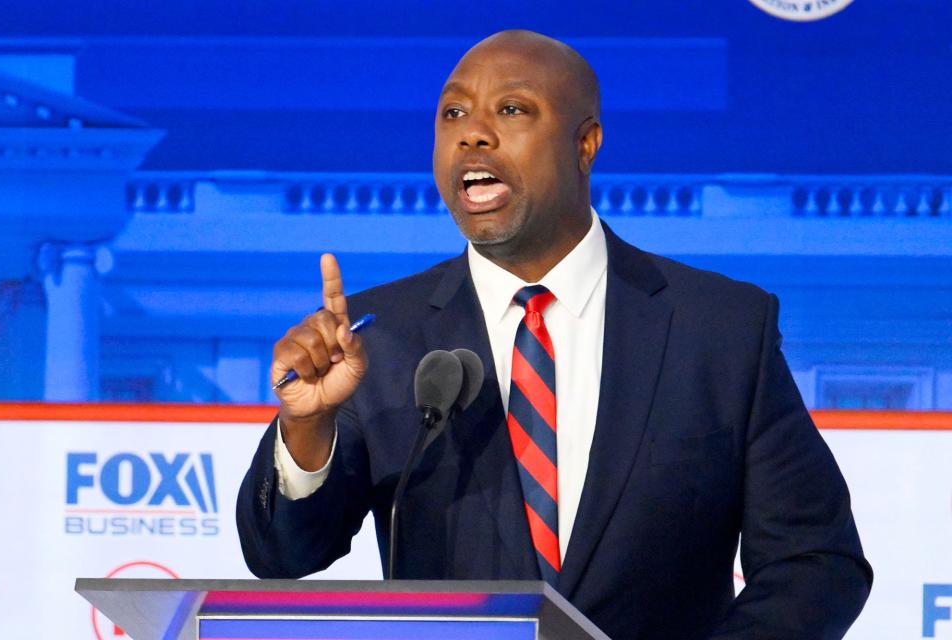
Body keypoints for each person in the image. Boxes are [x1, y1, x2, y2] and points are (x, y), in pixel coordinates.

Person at [237, 30, 872, 639]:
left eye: (510, 109)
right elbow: (282, 555)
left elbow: (816, 563)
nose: (472, 135)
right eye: (452, 113)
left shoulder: (721, 329)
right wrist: (306, 430)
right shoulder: (380, 336)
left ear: (586, 143)